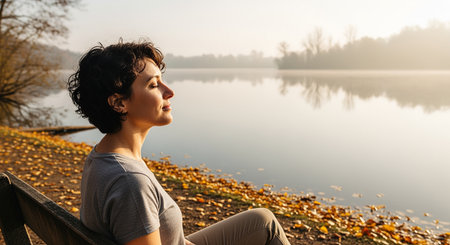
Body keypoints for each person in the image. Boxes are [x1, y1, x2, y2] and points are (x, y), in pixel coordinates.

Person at [68, 40, 291, 245]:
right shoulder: (130, 182)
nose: (170, 92)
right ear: (118, 102)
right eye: (154, 85)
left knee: (262, 221)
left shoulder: (103, 156)